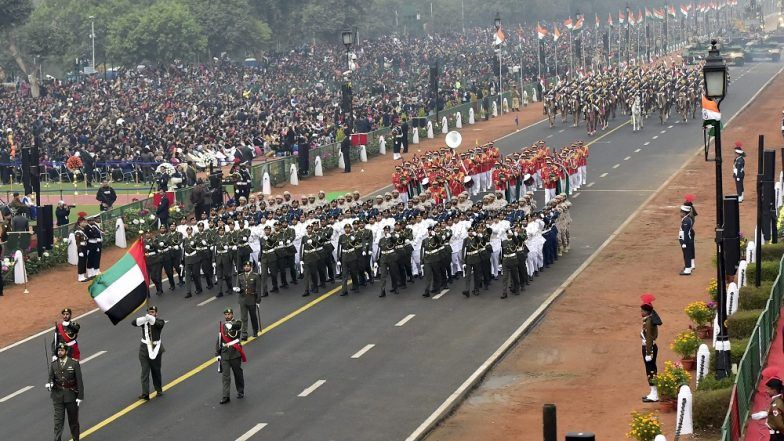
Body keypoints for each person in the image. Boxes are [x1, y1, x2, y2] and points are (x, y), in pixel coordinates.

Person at [46, 342, 84, 441]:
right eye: (58, 350)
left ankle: (76, 439)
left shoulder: (74, 363)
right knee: (58, 421)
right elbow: (51, 378)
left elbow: (79, 381)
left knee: (73, 421)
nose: (60, 352)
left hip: (71, 396)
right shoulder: (54, 364)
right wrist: (49, 384)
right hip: (57, 396)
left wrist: (80, 396)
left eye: (62, 350)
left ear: (66, 351)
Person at [131, 305, 165, 400]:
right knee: (144, 371)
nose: (151, 313)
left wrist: (151, 318)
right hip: (144, 349)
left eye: (153, 312)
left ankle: (158, 389)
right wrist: (144, 319)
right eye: (149, 312)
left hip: (156, 349)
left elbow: (159, 325)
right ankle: (145, 393)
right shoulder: (144, 322)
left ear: (156, 313)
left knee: (156, 371)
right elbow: (133, 323)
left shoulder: (160, 321)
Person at [216, 307, 246, 404]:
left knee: (237, 373)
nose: (227, 316)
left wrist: (231, 326)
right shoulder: (222, 325)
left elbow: (238, 327)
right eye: (226, 314)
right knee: (226, 376)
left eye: (229, 314)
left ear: (232, 314)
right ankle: (226, 396)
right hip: (225, 354)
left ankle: (240, 390)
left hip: (235, 352)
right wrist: (217, 353)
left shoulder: (237, 322)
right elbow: (219, 339)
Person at [641, 294, 662, 403]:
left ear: (647, 312)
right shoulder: (648, 319)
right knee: (650, 369)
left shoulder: (649, 322)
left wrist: (649, 353)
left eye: (643, 310)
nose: (641, 312)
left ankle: (654, 394)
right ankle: (653, 392)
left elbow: (649, 337)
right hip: (650, 347)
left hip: (649, 348)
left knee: (651, 370)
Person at [237, 261, 261, 340]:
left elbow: (258, 289)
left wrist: (258, 301)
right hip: (243, 299)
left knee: (253, 316)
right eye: (245, 266)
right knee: (243, 318)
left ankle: (255, 331)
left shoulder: (255, 276)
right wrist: (237, 290)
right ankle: (244, 334)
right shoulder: (240, 276)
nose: (246, 267)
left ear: (251, 267)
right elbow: (238, 287)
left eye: (248, 266)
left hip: (252, 299)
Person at [679, 204, 695, 275]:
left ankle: (688, 269)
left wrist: (684, 242)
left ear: (684, 212)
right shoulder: (688, 218)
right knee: (687, 253)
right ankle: (689, 266)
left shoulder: (686, 220)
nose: (680, 213)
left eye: (681, 212)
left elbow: (685, 233)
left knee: (687, 254)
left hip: (686, 240)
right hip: (688, 239)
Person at [74, 215, 89, 282]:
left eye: (85, 222)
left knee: (84, 261)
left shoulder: (83, 230)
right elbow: (77, 242)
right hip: (81, 248)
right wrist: (80, 251)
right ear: (79, 223)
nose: (85, 223)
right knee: (81, 262)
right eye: (83, 222)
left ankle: (83, 275)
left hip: (85, 247)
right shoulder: (78, 231)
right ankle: (80, 275)